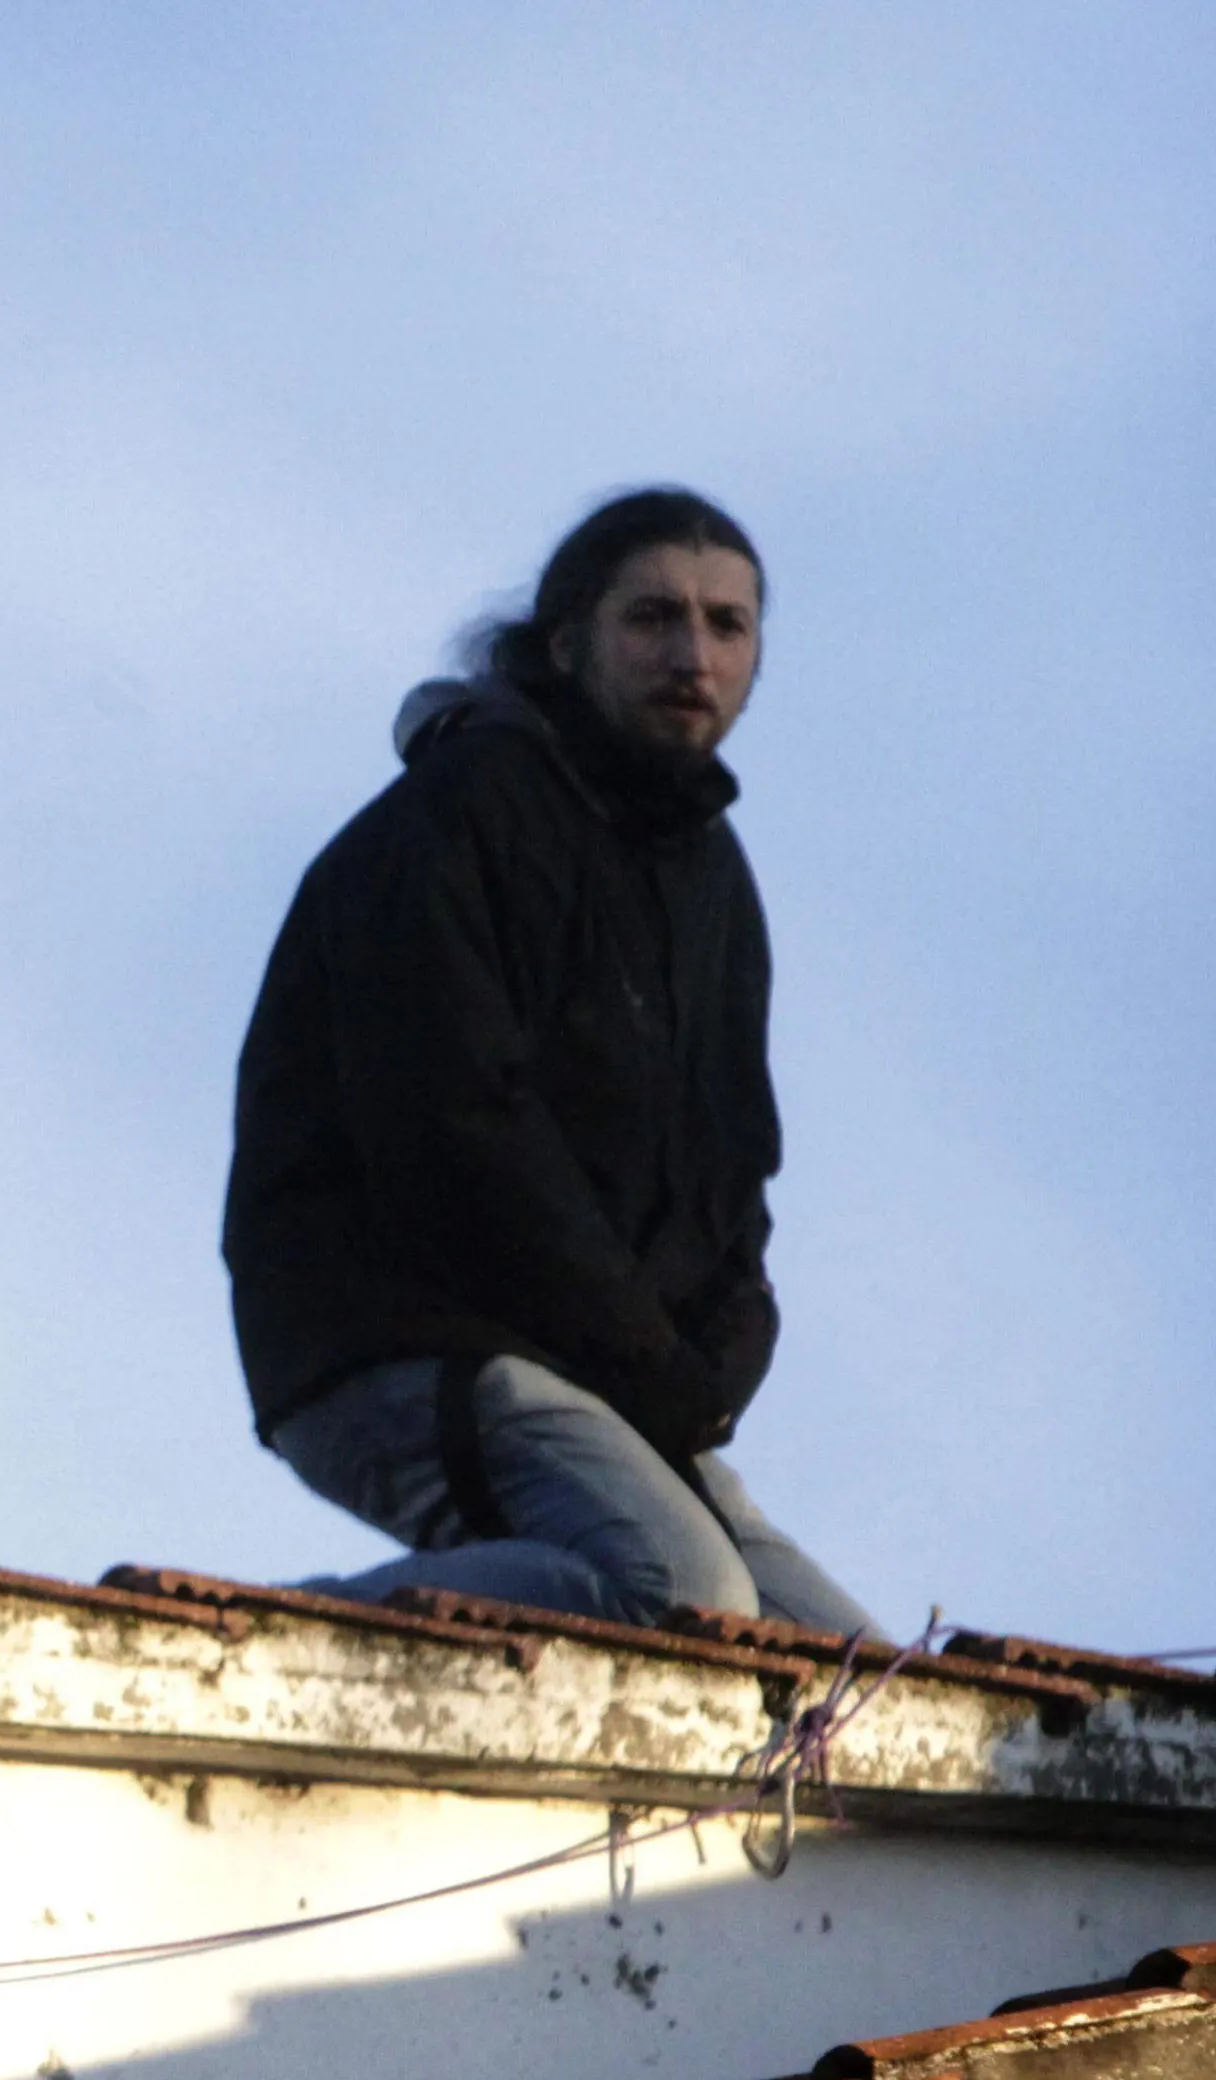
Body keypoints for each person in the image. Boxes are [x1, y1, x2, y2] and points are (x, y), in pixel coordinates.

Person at [221, 487, 881, 1636]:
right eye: (652, 617)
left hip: (593, 1368)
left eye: (726, 625)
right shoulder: (462, 811)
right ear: (567, 640)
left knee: (847, 1679)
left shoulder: (710, 875)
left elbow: (733, 1169)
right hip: (397, 1336)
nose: (691, 652)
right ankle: (257, 1644)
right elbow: (455, 1127)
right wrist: (646, 1358)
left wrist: (726, 1349)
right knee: (674, 1595)